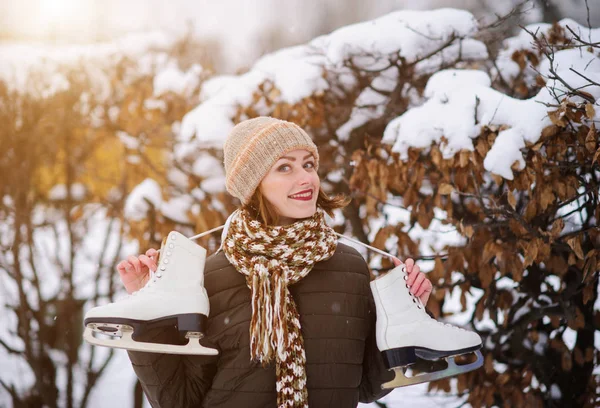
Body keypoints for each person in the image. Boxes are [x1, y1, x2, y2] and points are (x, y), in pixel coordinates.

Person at [117, 117, 433, 408]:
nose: (306, 177)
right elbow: (179, 399)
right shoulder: (211, 277)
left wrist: (406, 316)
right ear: (253, 185)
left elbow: (365, 384)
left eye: (309, 164)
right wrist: (150, 314)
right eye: (285, 167)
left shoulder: (348, 267)